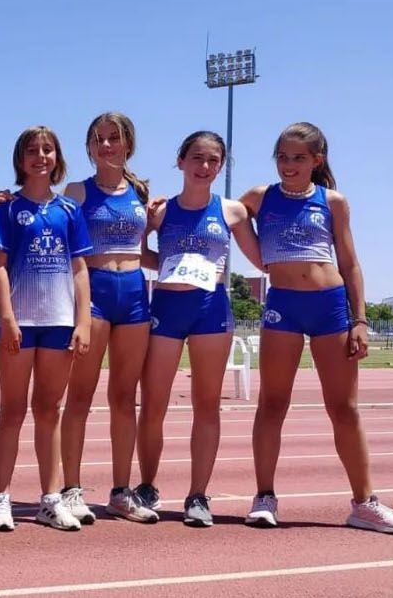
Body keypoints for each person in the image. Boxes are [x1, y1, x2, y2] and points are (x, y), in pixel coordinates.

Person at [242, 123, 393, 533]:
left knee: (343, 409)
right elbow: (220, 212)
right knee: (272, 404)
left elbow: (350, 262)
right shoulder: (261, 196)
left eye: (298, 157)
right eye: (282, 156)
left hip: (330, 306)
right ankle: (264, 497)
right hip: (282, 306)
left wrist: (361, 319)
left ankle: (364, 503)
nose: (288, 165)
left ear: (317, 160)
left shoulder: (333, 202)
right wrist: (257, 255)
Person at [136, 131, 260, 527]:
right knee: (153, 403)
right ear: (181, 162)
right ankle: (148, 486)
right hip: (167, 308)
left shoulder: (233, 212)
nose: (204, 167)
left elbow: (261, 258)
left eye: (212, 161)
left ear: (220, 165)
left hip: (210, 311)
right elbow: (140, 253)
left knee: (206, 405)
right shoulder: (160, 212)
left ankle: (197, 496)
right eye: (197, 159)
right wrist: (171, 262)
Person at [0, 126, 92, 533]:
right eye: (32, 150)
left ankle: (51, 499)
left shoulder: (69, 210)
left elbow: (80, 269)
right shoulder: (8, 209)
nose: (40, 156)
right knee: (12, 411)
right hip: (21, 324)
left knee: (49, 411)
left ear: (57, 158)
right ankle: (2, 498)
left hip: (60, 323)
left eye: (48, 150)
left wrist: (83, 320)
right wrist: (7, 317)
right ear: (20, 159)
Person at [61, 112, 156, 524]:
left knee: (123, 397)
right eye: (98, 139)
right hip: (94, 294)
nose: (105, 146)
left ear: (128, 144)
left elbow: (146, 252)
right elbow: (60, 248)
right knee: (80, 394)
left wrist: (191, 259)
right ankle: (70, 489)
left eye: (113, 138)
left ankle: (121, 490)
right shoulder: (77, 191)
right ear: (89, 146)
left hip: (134, 292)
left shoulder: (141, 192)